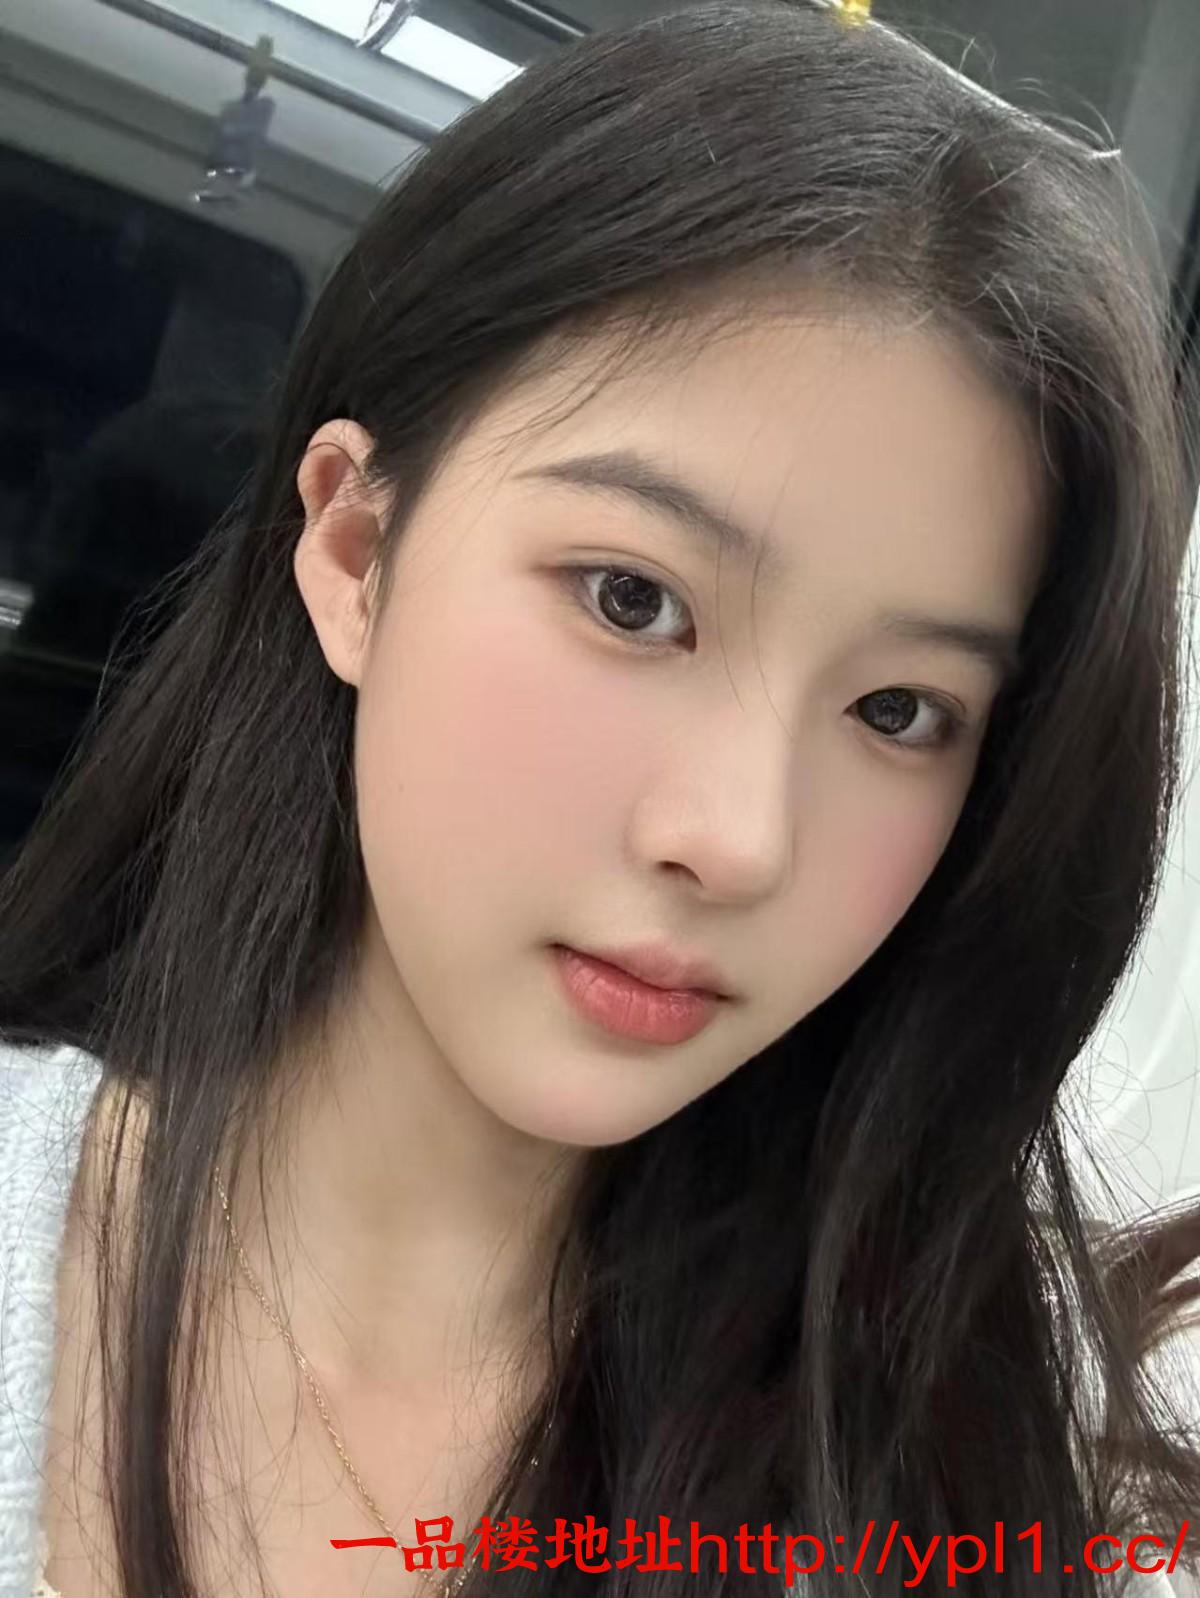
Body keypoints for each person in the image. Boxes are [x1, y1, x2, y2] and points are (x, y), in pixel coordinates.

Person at [0, 2, 1198, 1595]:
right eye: (635, 600)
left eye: (899, 710)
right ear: (356, 550)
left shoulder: (981, 1479)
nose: (738, 838)